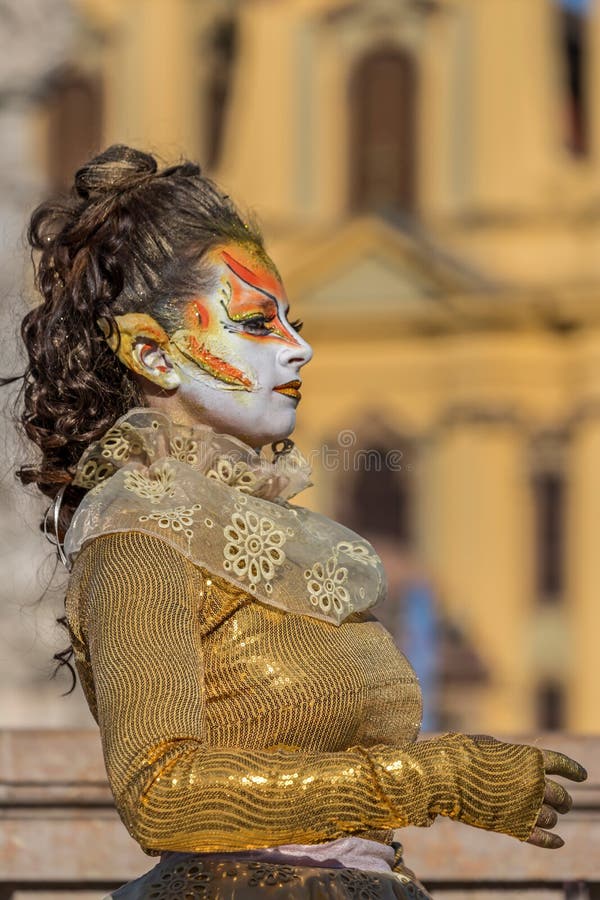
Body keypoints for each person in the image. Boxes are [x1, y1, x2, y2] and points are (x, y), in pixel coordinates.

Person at [9, 145, 586, 899]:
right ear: (153, 352)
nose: (299, 348)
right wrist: (432, 777)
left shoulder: (263, 530)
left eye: (293, 321)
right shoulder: (138, 539)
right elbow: (160, 794)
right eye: (256, 323)